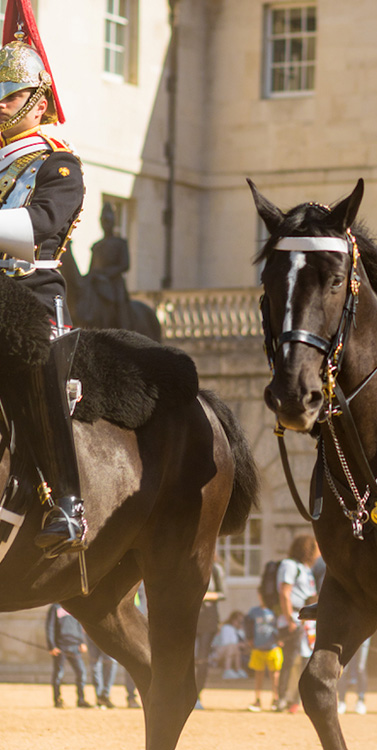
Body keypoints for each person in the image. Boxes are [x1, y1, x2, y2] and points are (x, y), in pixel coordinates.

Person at [0, 1, 87, 557]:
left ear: (36, 99)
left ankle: (68, 503)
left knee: (42, 379)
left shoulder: (58, 164)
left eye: (8, 94)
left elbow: (39, 227)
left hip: (32, 293)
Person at [276, 534, 319, 712]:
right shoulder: (289, 565)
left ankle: (295, 699)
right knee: (289, 661)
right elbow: (285, 593)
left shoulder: (306, 568)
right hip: (293, 618)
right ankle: (281, 698)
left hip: (307, 621)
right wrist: (289, 620)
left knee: (304, 662)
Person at [84, 202, 131, 328]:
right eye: (103, 221)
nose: (105, 224)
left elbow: (125, 265)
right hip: (99, 284)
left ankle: (125, 329)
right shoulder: (97, 246)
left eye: (108, 221)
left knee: (119, 307)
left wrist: (106, 273)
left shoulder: (120, 243)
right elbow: (91, 269)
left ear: (113, 222)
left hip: (114, 283)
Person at [194, 555, 226, 707]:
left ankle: (197, 695)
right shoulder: (189, 566)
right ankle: (184, 693)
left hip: (208, 620)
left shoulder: (216, 569)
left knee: (201, 659)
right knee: (188, 659)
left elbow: (222, 593)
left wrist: (204, 596)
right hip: (191, 618)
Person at [45, 603, 90, 708]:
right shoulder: (55, 607)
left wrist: (82, 642)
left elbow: (79, 624)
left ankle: (81, 699)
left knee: (81, 672)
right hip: (60, 647)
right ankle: (57, 700)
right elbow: (49, 627)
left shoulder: (74, 606)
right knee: (59, 674)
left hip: (75, 646)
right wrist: (51, 646)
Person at [245, 590, 283, 712]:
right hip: (258, 648)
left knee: (275, 675)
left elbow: (281, 625)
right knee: (258, 674)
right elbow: (248, 624)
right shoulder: (253, 612)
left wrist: (280, 638)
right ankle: (257, 700)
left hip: (273, 647)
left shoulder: (276, 610)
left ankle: (276, 699)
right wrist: (249, 638)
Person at [338, 637, 371, 715]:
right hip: (347, 636)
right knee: (343, 668)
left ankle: (361, 701)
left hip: (364, 636)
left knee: (361, 668)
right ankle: (341, 701)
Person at [214, 610, 249, 680]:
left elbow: (245, 642)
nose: (240, 623)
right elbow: (226, 643)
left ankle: (238, 670)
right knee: (232, 647)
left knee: (234, 648)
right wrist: (239, 645)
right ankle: (228, 670)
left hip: (235, 651)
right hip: (220, 651)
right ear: (233, 620)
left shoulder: (240, 630)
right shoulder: (226, 628)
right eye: (239, 621)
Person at [87, 638, 118, 709]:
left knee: (111, 662)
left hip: (106, 635)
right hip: (91, 634)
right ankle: (99, 696)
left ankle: (105, 694)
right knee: (95, 665)